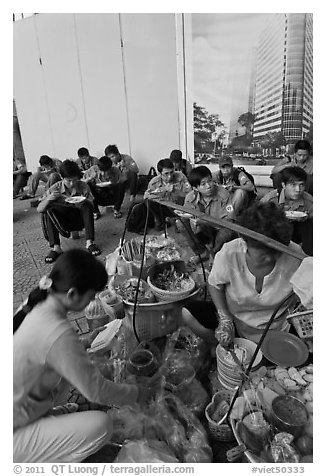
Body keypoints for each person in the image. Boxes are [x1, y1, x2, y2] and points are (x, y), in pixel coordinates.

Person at [13, 249, 152, 463]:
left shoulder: (38, 301)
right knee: (101, 425)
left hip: (18, 404)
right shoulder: (56, 330)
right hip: (12, 432)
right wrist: (137, 393)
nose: (92, 301)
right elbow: (96, 391)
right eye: (91, 296)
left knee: (71, 370)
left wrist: (85, 342)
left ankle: (46, 418)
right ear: (71, 294)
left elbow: (50, 350)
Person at [180, 202, 303, 346]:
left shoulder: (295, 255)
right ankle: (231, 346)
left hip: (279, 327)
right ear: (246, 243)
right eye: (264, 255)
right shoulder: (230, 253)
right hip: (238, 323)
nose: (271, 258)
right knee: (189, 313)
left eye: (277, 253)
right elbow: (215, 284)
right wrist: (225, 319)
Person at [37, 160, 101, 263]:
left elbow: (92, 205)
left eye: (75, 180)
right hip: (62, 223)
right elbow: (40, 209)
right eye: (68, 181)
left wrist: (85, 199)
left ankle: (90, 242)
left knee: (87, 205)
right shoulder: (55, 188)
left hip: (80, 220)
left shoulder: (82, 186)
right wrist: (50, 198)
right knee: (49, 209)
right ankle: (56, 248)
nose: (72, 184)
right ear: (62, 178)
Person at [182, 166, 236, 263]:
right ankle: (202, 252)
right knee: (181, 223)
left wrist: (206, 222)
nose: (209, 186)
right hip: (203, 229)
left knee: (227, 232)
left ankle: (214, 254)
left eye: (210, 181)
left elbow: (230, 221)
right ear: (195, 188)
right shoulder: (190, 197)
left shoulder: (223, 194)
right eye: (203, 184)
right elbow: (185, 215)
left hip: (220, 228)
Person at [261, 166, 313, 256]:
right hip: (275, 234)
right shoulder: (271, 199)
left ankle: (308, 258)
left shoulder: (309, 201)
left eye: (301, 185)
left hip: (298, 234)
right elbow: (256, 217)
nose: (298, 190)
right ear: (283, 185)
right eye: (293, 185)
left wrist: (307, 217)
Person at [143, 158, 191, 230]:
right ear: (160, 173)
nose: (170, 176)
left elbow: (190, 195)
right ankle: (161, 220)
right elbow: (146, 196)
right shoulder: (154, 182)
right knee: (148, 202)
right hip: (164, 208)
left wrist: (176, 191)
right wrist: (163, 189)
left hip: (179, 207)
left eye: (172, 172)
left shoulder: (181, 177)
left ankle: (176, 219)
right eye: (166, 173)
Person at [83, 156, 125, 220]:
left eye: (106, 171)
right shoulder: (93, 169)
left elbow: (122, 180)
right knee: (88, 185)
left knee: (121, 186)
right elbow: (82, 182)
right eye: (101, 171)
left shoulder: (115, 170)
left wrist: (113, 181)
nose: (103, 173)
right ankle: (95, 212)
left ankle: (116, 210)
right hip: (98, 194)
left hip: (112, 194)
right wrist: (90, 178)